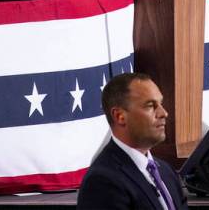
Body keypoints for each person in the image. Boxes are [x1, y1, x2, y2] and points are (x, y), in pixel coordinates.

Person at [78, 73, 187, 210]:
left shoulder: (167, 172)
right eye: (150, 105)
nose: (163, 113)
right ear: (120, 116)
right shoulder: (102, 181)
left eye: (161, 104)